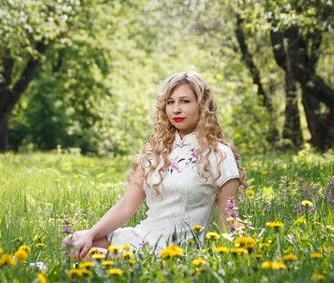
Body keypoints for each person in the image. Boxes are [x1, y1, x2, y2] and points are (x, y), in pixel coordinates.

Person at [62, 71, 246, 259]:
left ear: (203, 106)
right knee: (73, 244)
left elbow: (228, 216)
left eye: (185, 101)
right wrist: (90, 234)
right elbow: (126, 205)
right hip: (143, 237)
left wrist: (228, 259)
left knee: (93, 256)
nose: (176, 109)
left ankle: (117, 265)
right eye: (170, 102)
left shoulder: (219, 154)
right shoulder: (156, 151)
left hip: (176, 250)